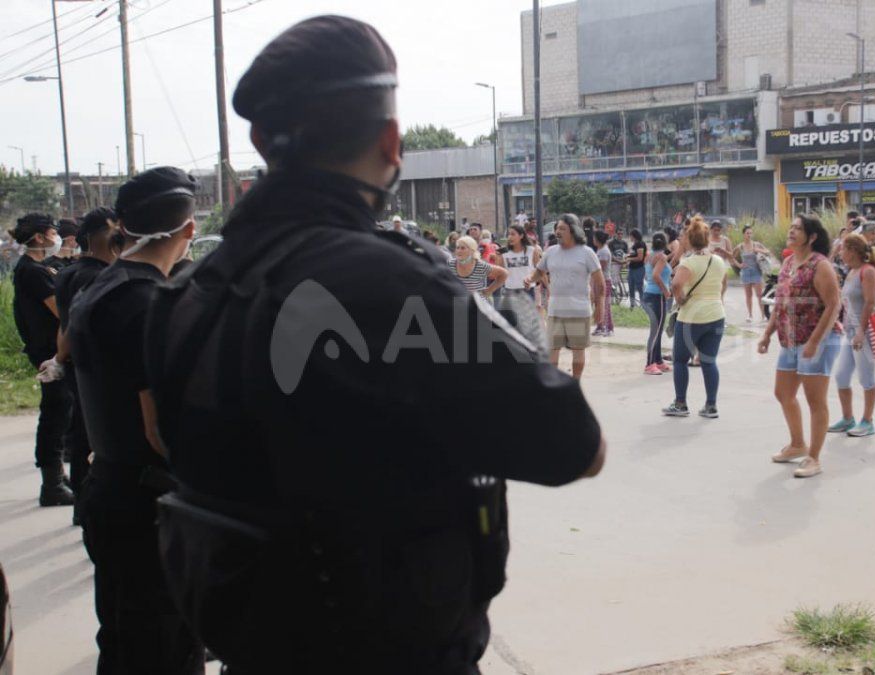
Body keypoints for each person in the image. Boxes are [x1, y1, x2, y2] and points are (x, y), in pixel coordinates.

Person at [143, 17, 605, 673]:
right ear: (392, 143)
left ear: (257, 139)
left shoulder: (185, 295)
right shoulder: (388, 281)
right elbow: (576, 443)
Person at [67, 168, 207, 673]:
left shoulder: (100, 287)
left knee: (130, 645)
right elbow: (160, 431)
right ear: (190, 230)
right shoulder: (146, 302)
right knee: (160, 651)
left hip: (114, 492)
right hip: (146, 508)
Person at [38, 208, 124, 524]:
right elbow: (73, 327)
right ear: (106, 232)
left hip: (78, 367)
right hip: (98, 370)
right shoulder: (97, 277)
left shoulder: (71, 272)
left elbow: (66, 326)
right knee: (96, 441)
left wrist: (61, 360)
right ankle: (91, 509)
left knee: (82, 437)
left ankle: (83, 508)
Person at [758, 216, 842, 478]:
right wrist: (767, 333)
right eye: (791, 227)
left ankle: (814, 458)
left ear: (812, 236)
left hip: (819, 341)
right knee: (783, 393)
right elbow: (780, 303)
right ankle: (797, 444)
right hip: (790, 340)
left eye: (798, 229)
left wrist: (815, 342)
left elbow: (833, 305)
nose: (791, 231)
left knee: (815, 400)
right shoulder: (787, 263)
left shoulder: (820, 265)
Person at [9, 214, 75, 507]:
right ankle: (52, 483)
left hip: (48, 348)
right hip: (48, 351)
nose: (55, 238)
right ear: (38, 237)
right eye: (52, 233)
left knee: (61, 413)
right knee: (55, 415)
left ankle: (58, 477)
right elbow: (60, 310)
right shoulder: (33, 272)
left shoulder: (34, 268)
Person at [662, 218, 727, 419]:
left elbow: (675, 285)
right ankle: (711, 406)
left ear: (689, 240)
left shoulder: (688, 262)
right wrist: (717, 299)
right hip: (716, 315)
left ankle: (681, 403)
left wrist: (680, 299)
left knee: (681, 360)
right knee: (709, 361)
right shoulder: (717, 260)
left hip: (691, 317)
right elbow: (723, 283)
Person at [528, 213, 604, 379]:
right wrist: (530, 279)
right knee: (552, 350)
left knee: (578, 351)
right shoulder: (551, 251)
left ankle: (575, 384)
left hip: (579, 311)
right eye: (557, 228)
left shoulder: (587, 253)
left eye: (562, 228)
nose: (558, 231)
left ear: (574, 230)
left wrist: (600, 307)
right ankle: (554, 384)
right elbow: (540, 270)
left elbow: (600, 283)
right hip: (555, 310)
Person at [829, 234, 875, 438]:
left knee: (866, 378)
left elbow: (870, 302)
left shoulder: (868, 272)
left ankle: (868, 421)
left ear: (852, 250)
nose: (840, 253)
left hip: (864, 333)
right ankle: (848, 418)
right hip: (849, 332)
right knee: (841, 375)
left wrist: (861, 331)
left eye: (842, 249)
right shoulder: (852, 272)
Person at [642, 232, 672, 375]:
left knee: (658, 330)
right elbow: (655, 275)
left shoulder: (649, 255)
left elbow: (649, 274)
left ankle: (658, 361)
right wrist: (666, 291)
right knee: (655, 331)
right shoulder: (662, 257)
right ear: (665, 243)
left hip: (648, 294)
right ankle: (649, 364)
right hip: (657, 297)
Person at [731, 225, 770, 323]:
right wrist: (739, 265)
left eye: (750, 233)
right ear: (743, 234)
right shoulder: (740, 246)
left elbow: (768, 252)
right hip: (745, 273)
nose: (749, 235)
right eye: (747, 233)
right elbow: (731, 257)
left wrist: (759, 250)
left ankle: (763, 315)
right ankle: (750, 314)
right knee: (748, 295)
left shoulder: (756, 244)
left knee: (760, 295)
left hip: (756, 272)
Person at [500, 225, 539, 300]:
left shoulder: (532, 250)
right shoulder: (503, 252)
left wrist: (530, 278)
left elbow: (538, 269)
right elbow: (500, 271)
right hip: (510, 289)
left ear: (521, 236)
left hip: (528, 289)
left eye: (513, 234)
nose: (510, 237)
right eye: (508, 234)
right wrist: (497, 257)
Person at [593, 231, 615, 337]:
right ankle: (600, 326)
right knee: (598, 304)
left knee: (605, 304)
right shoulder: (600, 250)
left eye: (594, 238)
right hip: (598, 281)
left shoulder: (604, 251)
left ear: (598, 239)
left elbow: (601, 267)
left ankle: (608, 327)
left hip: (604, 281)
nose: (593, 240)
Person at [626, 229, 647, 308]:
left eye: (630, 235)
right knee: (631, 286)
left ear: (634, 236)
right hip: (632, 268)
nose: (630, 237)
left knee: (639, 287)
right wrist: (628, 256)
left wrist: (629, 259)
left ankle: (643, 304)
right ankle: (632, 304)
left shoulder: (640, 244)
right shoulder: (634, 245)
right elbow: (633, 255)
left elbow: (640, 257)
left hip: (638, 268)